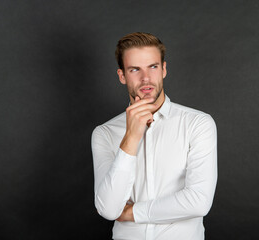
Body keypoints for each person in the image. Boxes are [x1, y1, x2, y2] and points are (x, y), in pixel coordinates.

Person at [91, 32, 217, 240]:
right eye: (134, 70)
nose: (146, 78)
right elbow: (108, 209)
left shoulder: (198, 124)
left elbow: (198, 201)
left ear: (164, 69)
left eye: (153, 66)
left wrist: (132, 212)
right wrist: (131, 136)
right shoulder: (104, 134)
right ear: (122, 76)